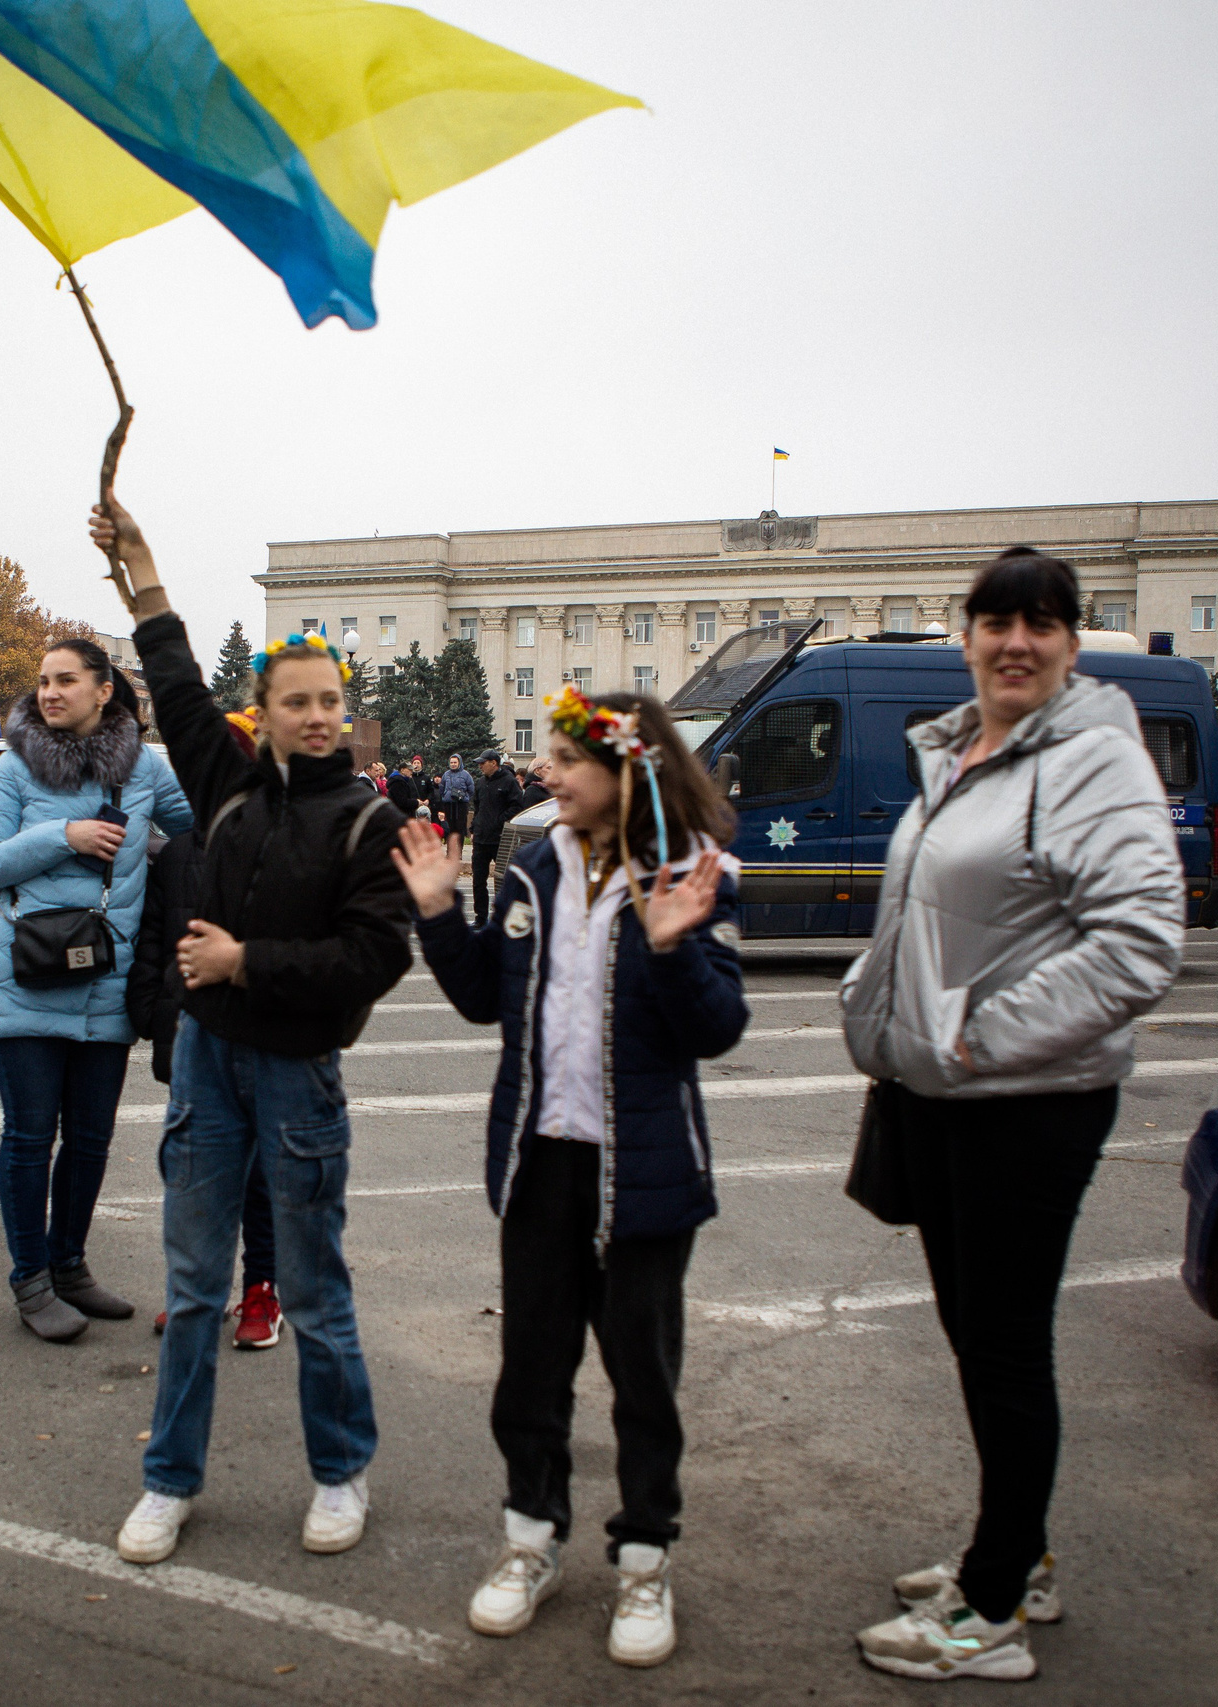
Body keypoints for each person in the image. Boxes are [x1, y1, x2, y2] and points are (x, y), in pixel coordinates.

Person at [837, 546, 1183, 1684]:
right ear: (968, 633)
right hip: (946, 1094)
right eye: (996, 621)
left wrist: (977, 1033)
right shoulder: (968, 751)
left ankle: (989, 1613)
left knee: (1003, 1347)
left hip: (1024, 1103)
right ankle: (1014, 1553)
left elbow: (1136, 944)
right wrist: (880, 1005)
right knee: (978, 1340)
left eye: (1042, 622)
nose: (1016, 641)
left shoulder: (1091, 757)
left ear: (1072, 642)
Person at [89, 496, 413, 1568]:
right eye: (297, 702)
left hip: (297, 1074)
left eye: (330, 701)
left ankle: (338, 1474)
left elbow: (375, 960)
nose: (318, 717)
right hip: (205, 1067)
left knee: (314, 1289)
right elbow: (170, 675)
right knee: (192, 1291)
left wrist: (243, 963)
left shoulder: (365, 820)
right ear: (263, 710)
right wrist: (140, 564)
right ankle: (169, 1482)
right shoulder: (224, 783)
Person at [402, 687, 744, 1669]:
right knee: (531, 1374)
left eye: (566, 760)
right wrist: (434, 914)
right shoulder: (529, 871)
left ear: (630, 769)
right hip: (538, 1163)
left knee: (643, 1380)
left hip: (643, 1174)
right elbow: (481, 998)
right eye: (546, 758)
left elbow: (717, 1030)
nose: (545, 774)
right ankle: (529, 1540)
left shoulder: (691, 872)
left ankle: (645, 1558)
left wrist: (674, 947)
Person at [0, 637, 192, 1341]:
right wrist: (63, 834)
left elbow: (211, 828)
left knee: (91, 1139)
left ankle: (70, 1265)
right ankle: (30, 1279)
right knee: (30, 1137)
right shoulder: (14, 766)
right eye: (42, 680)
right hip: (27, 979)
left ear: (105, 690)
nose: (49, 691)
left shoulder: (148, 769)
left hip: (107, 983)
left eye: (66, 679)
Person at [128, 707, 283, 1352]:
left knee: (259, 1176)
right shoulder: (178, 852)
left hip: (265, 1037)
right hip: (190, 1036)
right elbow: (152, 940)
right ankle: (198, 1287)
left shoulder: (282, 843)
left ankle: (262, 1289)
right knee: (194, 1171)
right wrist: (151, 1008)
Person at [469, 750, 524, 923]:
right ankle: (480, 917)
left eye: (482, 763)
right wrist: (473, 828)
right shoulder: (480, 783)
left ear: (494, 763)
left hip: (500, 838)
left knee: (503, 881)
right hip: (481, 839)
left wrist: (498, 822)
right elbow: (478, 808)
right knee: (478, 881)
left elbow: (517, 806)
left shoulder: (508, 782)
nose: (480, 766)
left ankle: (503, 918)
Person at [438, 752, 475, 842]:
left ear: (459, 763)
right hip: (449, 804)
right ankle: (450, 851)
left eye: (455, 762)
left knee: (460, 828)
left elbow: (471, 789)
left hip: (461, 805)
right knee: (450, 828)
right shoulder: (446, 774)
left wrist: (464, 797)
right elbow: (441, 788)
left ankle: (458, 852)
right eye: (451, 762)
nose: (453, 764)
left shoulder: (465, 775)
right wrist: (445, 796)